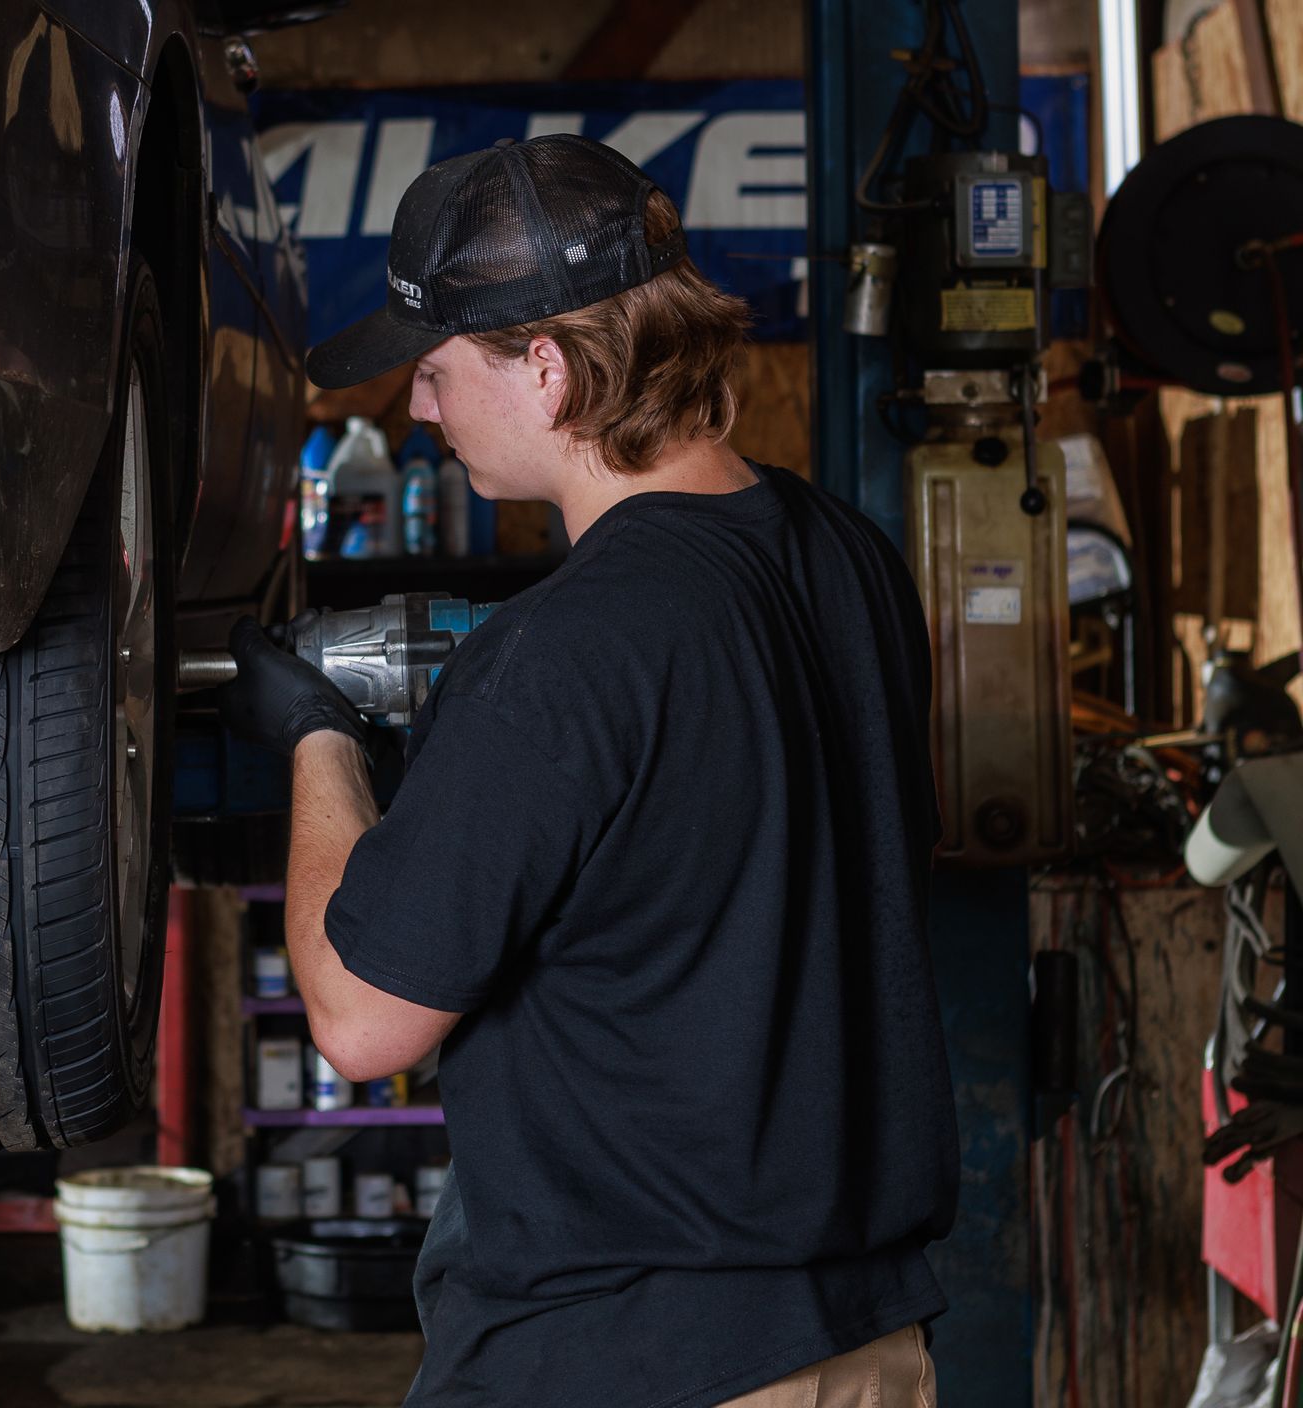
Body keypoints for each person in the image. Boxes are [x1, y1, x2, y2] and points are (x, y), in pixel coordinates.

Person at [218, 134, 957, 1408]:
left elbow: (360, 1021)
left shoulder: (561, 655)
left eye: (438, 371)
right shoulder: (850, 561)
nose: (422, 410)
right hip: (866, 1355)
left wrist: (319, 740)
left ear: (547, 371)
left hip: (628, 1360)